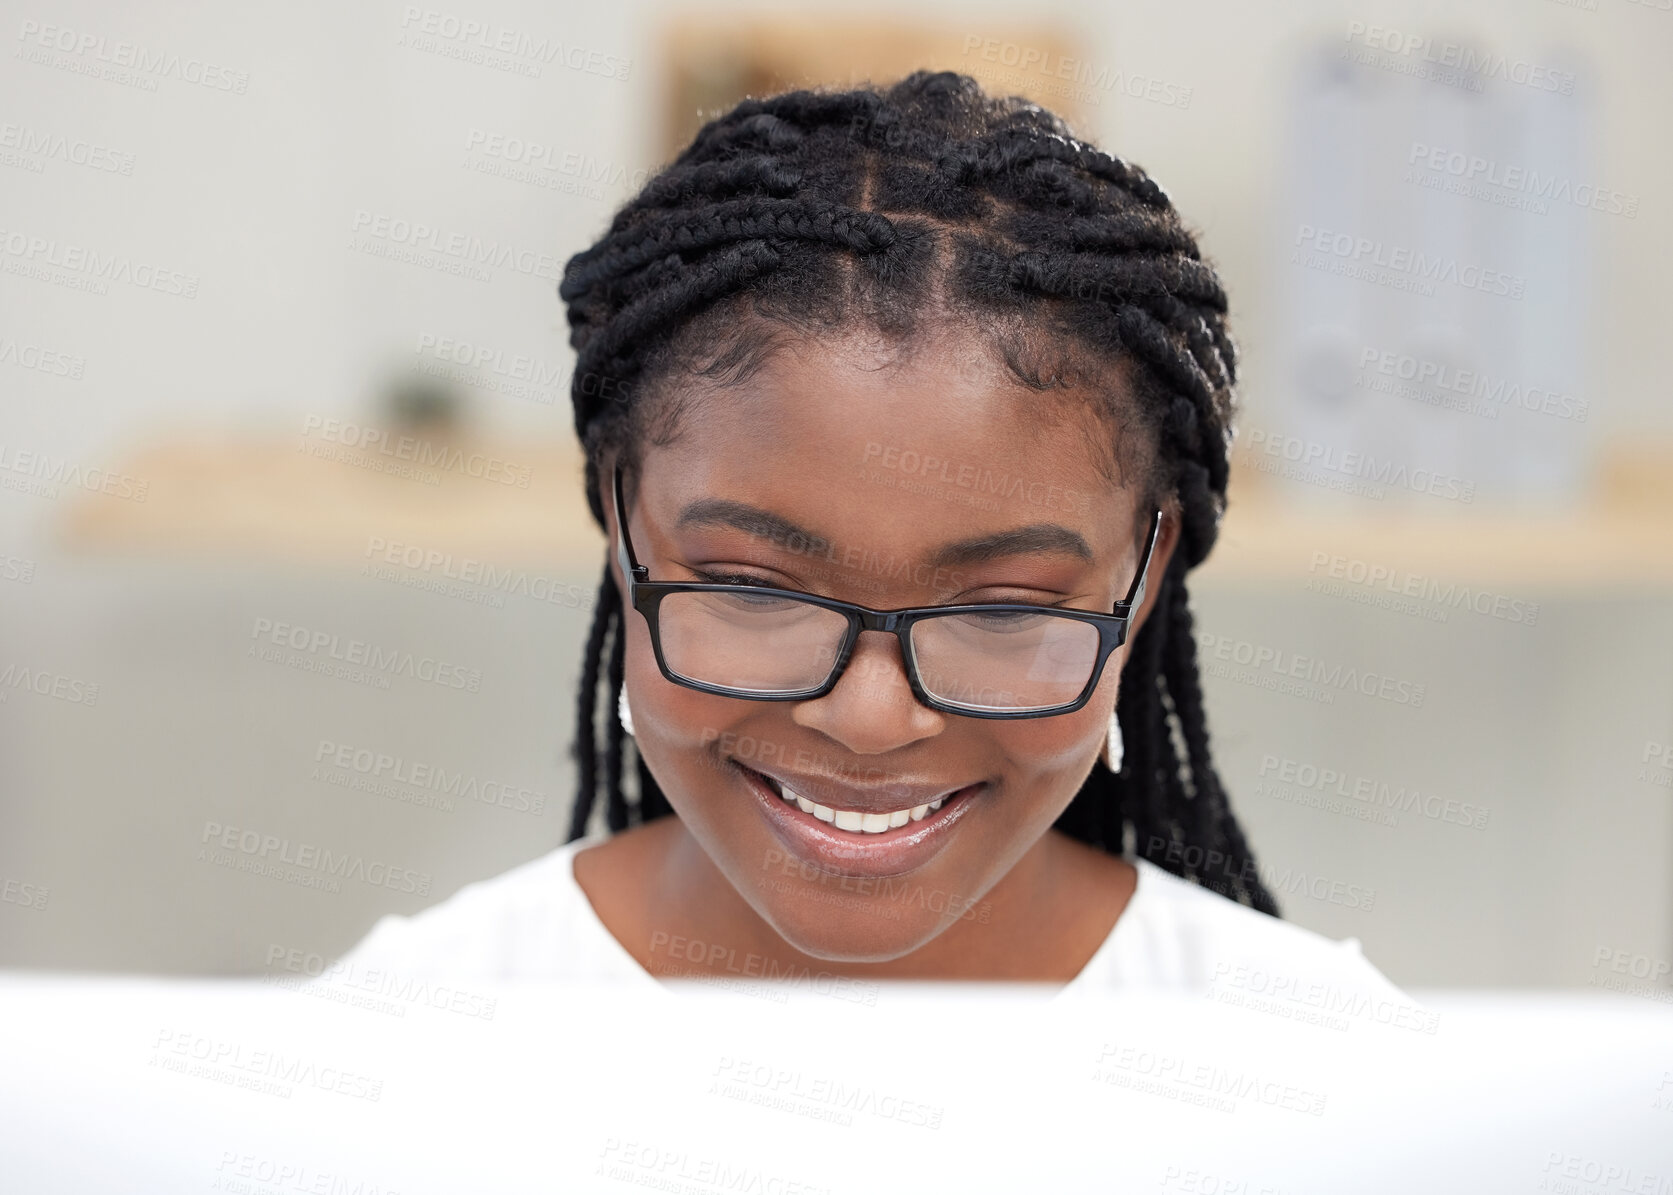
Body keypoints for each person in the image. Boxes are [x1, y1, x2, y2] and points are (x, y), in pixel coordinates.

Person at [336, 70, 1407, 1006]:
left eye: (1000, 609)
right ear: (619, 528)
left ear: (1144, 569)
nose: (868, 717)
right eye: (756, 589)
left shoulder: (1324, 1074)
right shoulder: (411, 1034)